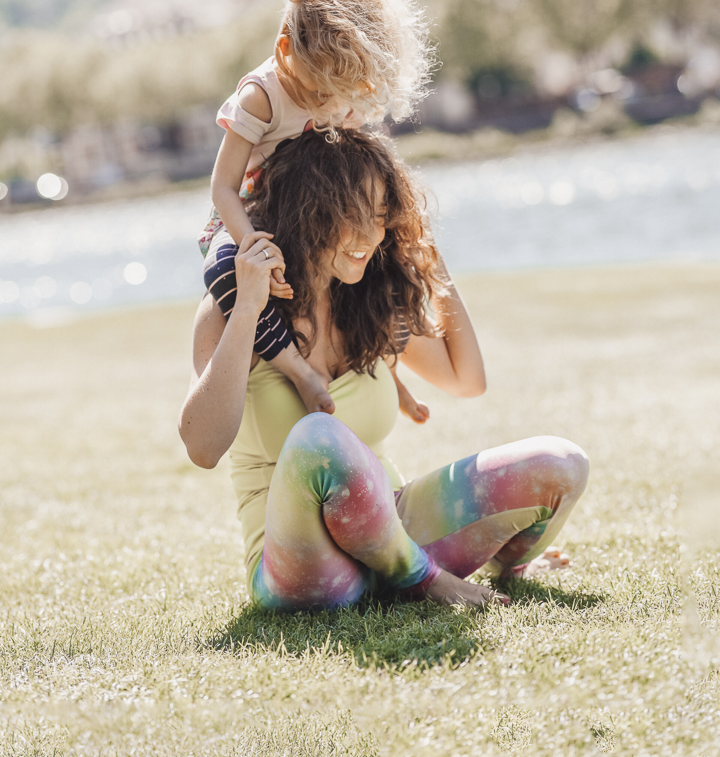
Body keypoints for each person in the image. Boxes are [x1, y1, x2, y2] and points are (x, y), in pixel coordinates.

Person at [179, 130, 589, 611]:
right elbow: (203, 448)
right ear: (309, 210)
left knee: (562, 462)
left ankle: (486, 566)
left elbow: (466, 378)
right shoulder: (237, 304)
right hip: (304, 569)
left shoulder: (368, 301)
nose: (370, 237)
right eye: (354, 217)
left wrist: (426, 254)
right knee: (317, 436)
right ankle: (423, 579)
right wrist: (247, 308)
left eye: (380, 218)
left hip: (391, 531)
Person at [199, 0, 433, 423]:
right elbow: (223, 187)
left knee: (373, 265)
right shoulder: (260, 96)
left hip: (314, 215)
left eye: (338, 90)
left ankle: (388, 373)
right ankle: (299, 371)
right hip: (255, 214)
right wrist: (255, 247)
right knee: (224, 271)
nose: (326, 100)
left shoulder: (340, 84)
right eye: (316, 87)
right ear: (285, 49)